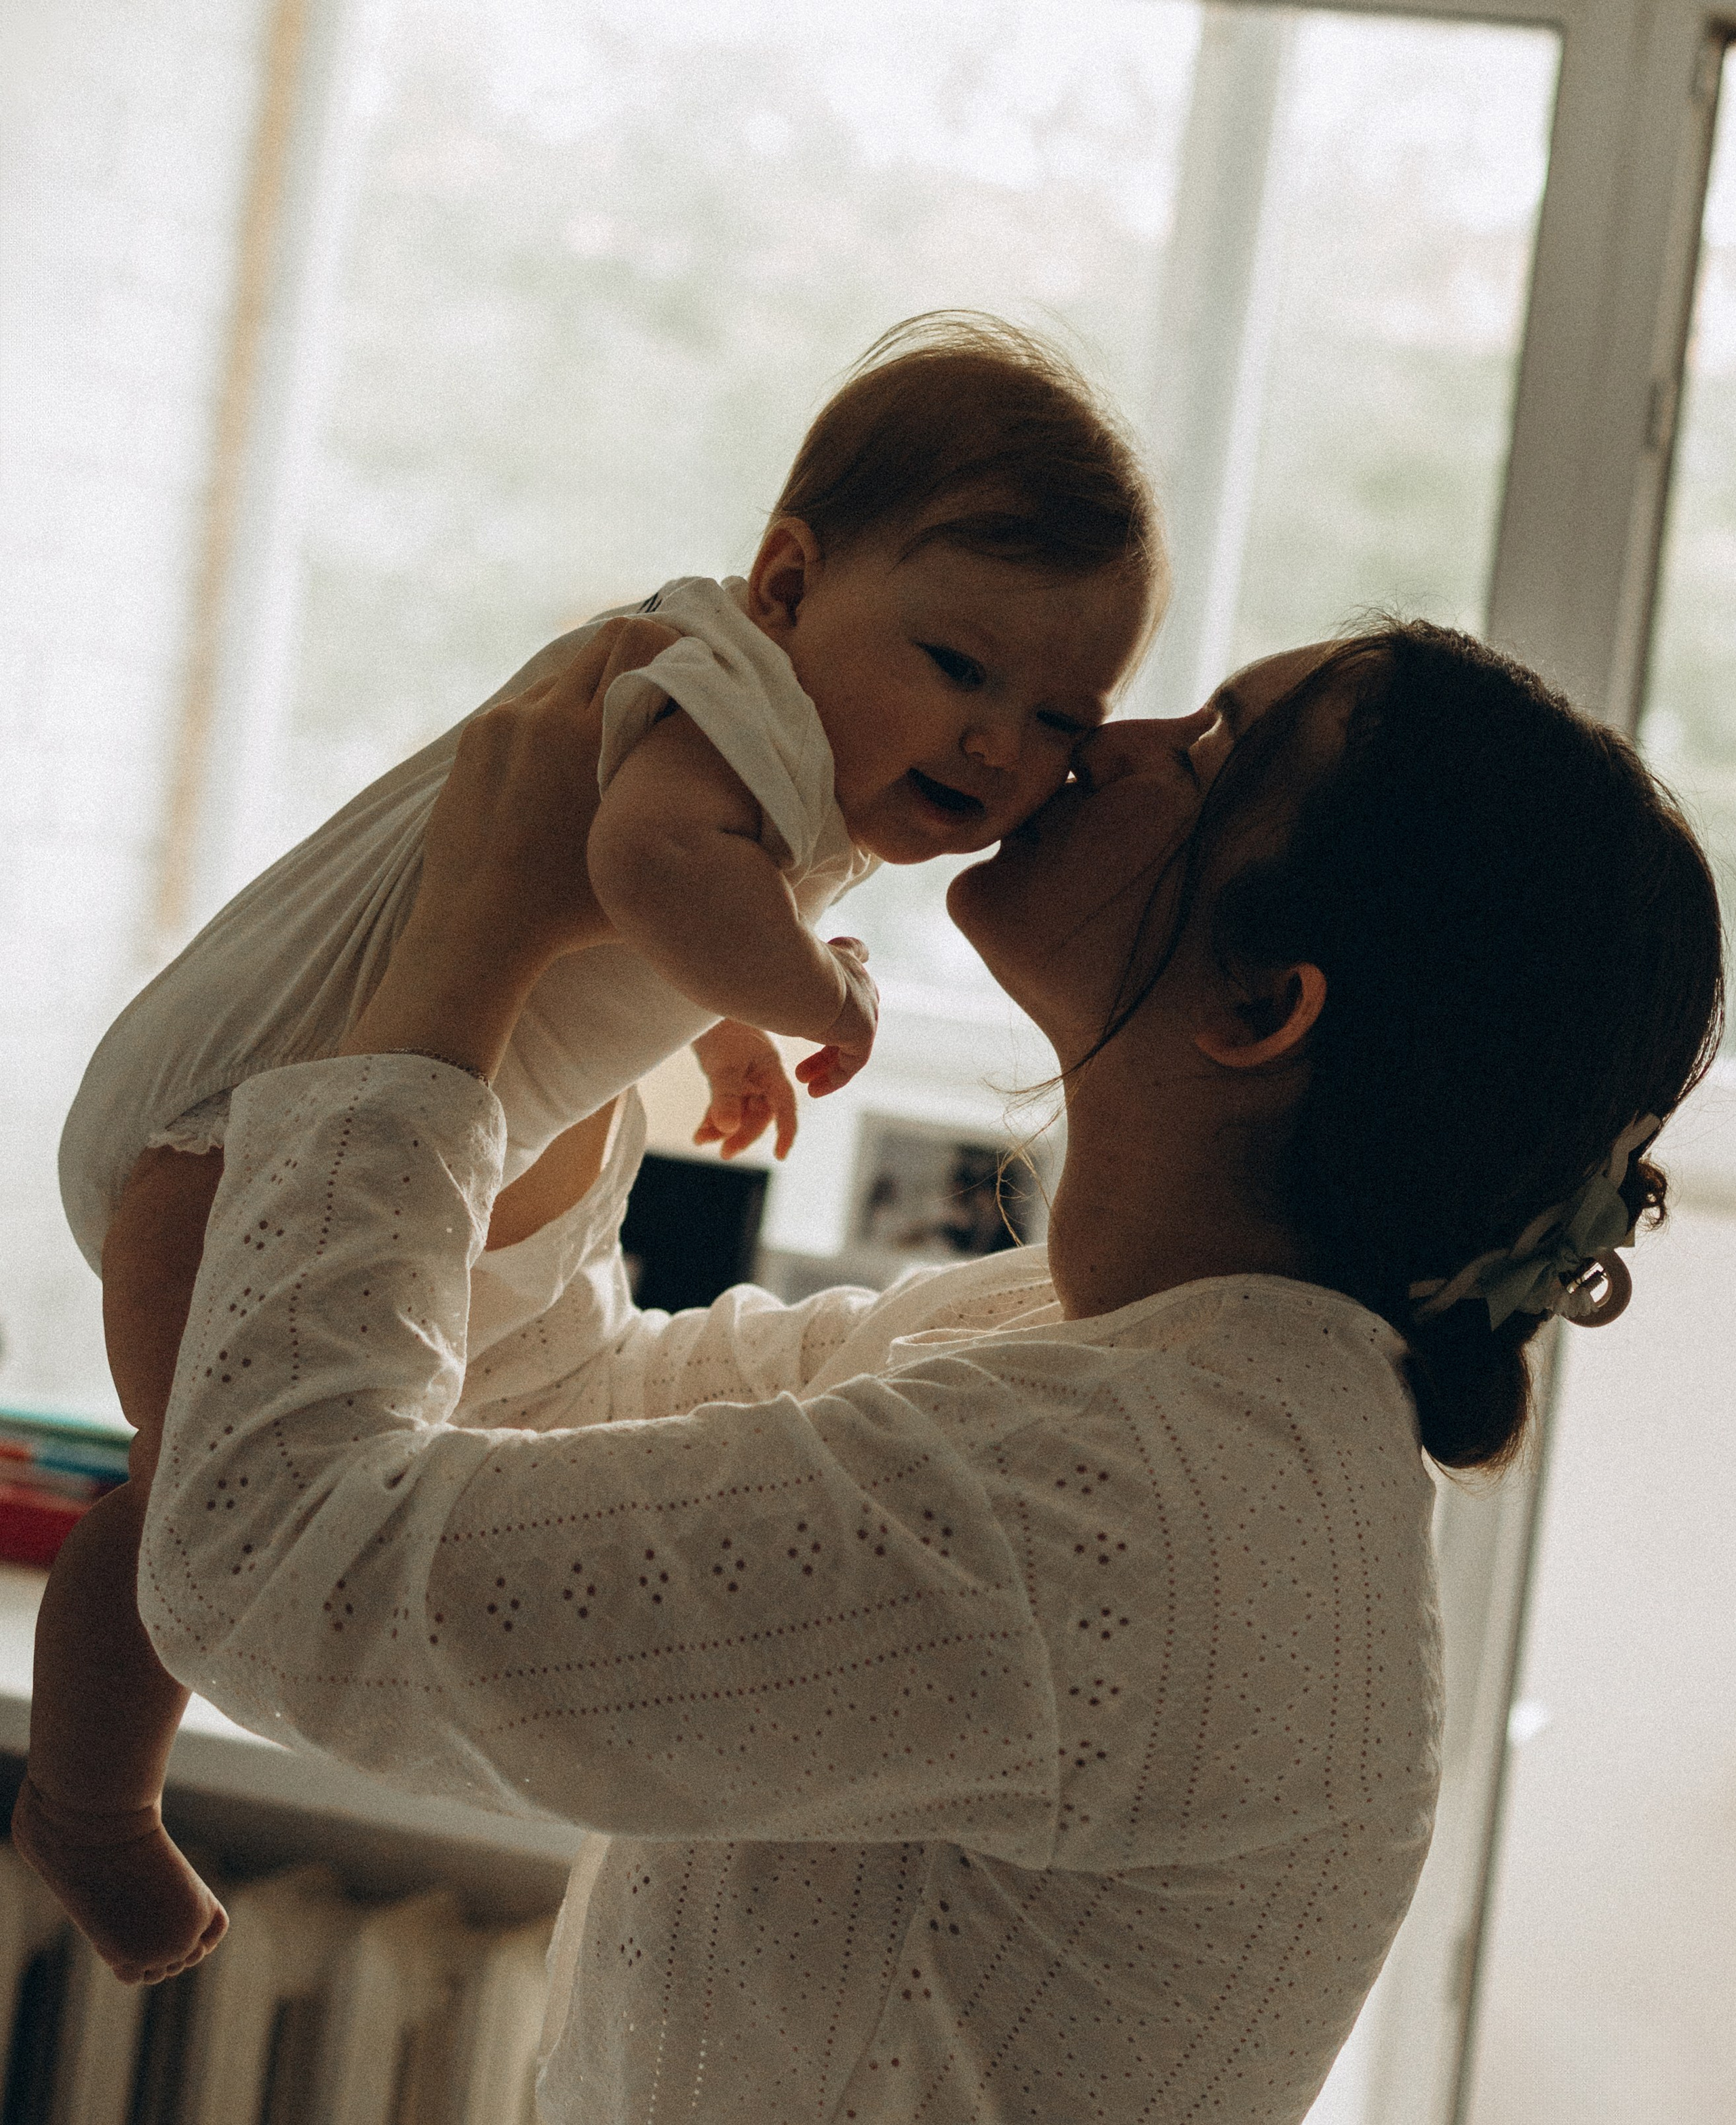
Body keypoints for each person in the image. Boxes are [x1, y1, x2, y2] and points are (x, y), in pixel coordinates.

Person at [112, 610, 1721, 2125]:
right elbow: (543, 1416)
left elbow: (286, 1568)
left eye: (1206, 756)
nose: (1101, 739)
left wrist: (460, 947)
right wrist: (591, 975)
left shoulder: (1150, 1496)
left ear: (1263, 1007)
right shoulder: (1102, 1356)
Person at [16, 315, 1162, 1987]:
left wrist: (718, 1020)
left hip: (387, 1143)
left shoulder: (765, 750)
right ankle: (93, 1804)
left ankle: (99, 1792)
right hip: (231, 1140)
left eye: (1061, 716)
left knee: (300, 1469)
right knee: (202, 1505)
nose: (999, 747)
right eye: (957, 666)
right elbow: (648, 858)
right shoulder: (727, 696)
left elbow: (636, 891)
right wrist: (810, 994)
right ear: (784, 583)